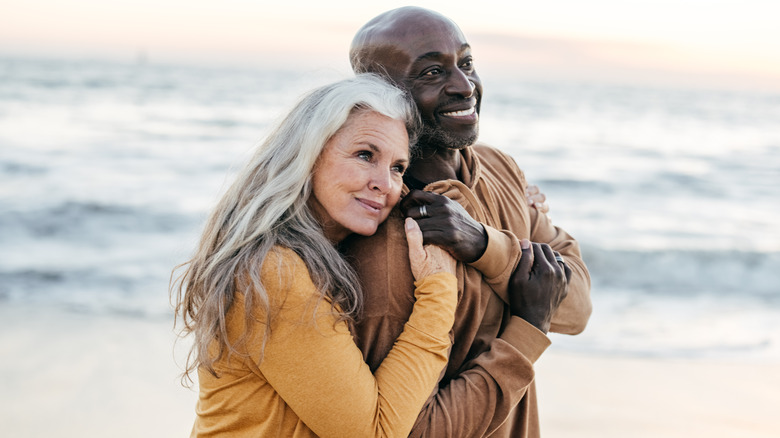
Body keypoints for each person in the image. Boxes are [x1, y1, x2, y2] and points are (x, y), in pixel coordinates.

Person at [342, 7, 593, 437]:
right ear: (382, 94)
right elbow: (408, 428)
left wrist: (483, 245)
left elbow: (576, 310)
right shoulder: (386, 236)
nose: (464, 86)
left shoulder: (501, 169)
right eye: (432, 73)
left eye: (467, 63)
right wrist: (529, 322)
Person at [171, 74, 462, 437]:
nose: (385, 184)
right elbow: (375, 432)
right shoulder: (274, 271)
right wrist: (439, 290)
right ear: (308, 154)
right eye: (364, 155)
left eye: (397, 168)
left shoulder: (307, 254)